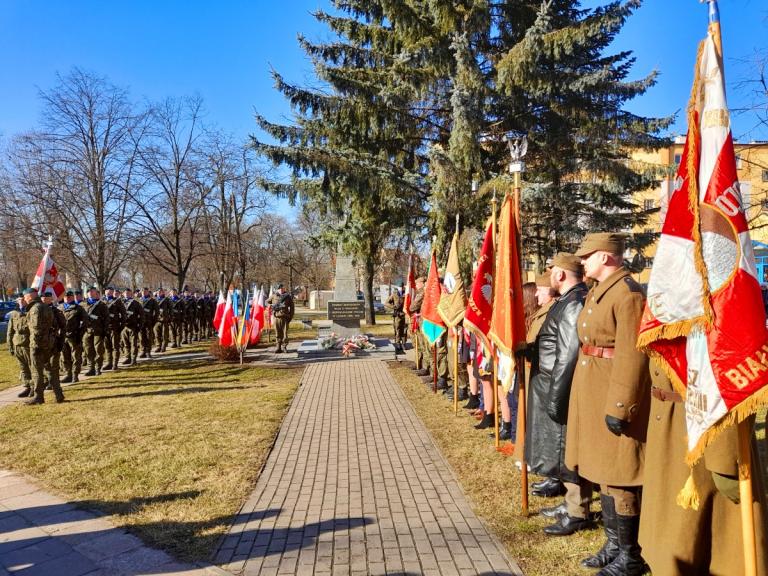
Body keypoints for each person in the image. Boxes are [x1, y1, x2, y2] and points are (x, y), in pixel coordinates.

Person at [566, 232, 651, 575]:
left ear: (606, 257)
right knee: (602, 471)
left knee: (619, 474)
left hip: (612, 391)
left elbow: (633, 355)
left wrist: (621, 404)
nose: (582, 261)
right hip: (593, 387)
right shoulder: (600, 293)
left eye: (587, 255)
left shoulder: (627, 294)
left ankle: (630, 555)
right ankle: (614, 545)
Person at [638, 365, 768, 575]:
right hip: (671, 427)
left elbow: (728, 371)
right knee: (673, 545)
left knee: (709, 548)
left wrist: (725, 459)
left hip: (704, 432)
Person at [528, 254, 592, 536]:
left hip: (559, 384)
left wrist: (556, 395)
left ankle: (578, 510)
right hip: (551, 382)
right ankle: (570, 504)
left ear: (561, 274)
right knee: (560, 449)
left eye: (552, 270)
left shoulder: (573, 303)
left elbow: (567, 355)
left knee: (567, 448)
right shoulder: (567, 300)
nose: (549, 274)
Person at [23, 288, 60, 405]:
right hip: (48, 343)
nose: (24, 299)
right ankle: (59, 394)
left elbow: (36, 329)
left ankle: (38, 397)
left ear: (29, 296)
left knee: (36, 371)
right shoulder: (46, 307)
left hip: (38, 344)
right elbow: (54, 325)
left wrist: (35, 345)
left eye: (25, 297)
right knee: (49, 369)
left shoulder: (35, 308)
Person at [60, 290, 89, 383]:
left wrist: (80, 334)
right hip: (63, 336)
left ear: (72, 297)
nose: (67, 298)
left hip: (74, 336)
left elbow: (85, 322)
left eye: (69, 297)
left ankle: (75, 375)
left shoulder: (78, 308)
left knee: (76, 356)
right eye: (65, 297)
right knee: (64, 356)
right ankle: (68, 374)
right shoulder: (59, 308)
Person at [8, 296, 32, 398]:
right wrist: (10, 346)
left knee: (32, 367)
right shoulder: (14, 314)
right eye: (19, 300)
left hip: (28, 344)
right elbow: (10, 331)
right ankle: (27, 386)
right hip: (17, 344)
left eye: (22, 299)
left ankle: (35, 387)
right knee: (23, 368)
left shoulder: (30, 312)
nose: (21, 301)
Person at [82, 286, 109, 376]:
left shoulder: (101, 305)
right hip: (87, 331)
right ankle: (91, 368)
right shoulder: (83, 304)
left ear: (95, 292)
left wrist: (105, 331)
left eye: (92, 291)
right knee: (88, 350)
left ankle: (98, 368)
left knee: (98, 350)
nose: (90, 292)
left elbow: (106, 319)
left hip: (98, 331)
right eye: (88, 291)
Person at [102, 286, 126, 370]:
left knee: (115, 346)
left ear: (113, 292)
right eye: (107, 292)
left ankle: (115, 364)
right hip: (105, 328)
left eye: (111, 292)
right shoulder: (101, 301)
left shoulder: (117, 301)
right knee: (107, 346)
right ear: (105, 292)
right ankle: (109, 363)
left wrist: (121, 326)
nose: (109, 293)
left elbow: (123, 314)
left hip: (114, 327)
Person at [268, 283, 295, 353]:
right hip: (276, 318)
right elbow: (266, 302)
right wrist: (271, 306)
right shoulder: (273, 296)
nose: (281, 290)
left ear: (283, 289)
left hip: (285, 318)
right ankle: (278, 347)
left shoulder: (287, 297)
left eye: (282, 288)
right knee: (277, 333)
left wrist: (290, 317)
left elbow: (292, 307)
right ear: (277, 289)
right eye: (279, 289)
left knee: (285, 334)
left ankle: (284, 347)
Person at [120, 288, 144, 365]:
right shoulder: (120, 303)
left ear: (131, 294)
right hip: (124, 326)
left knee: (133, 343)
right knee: (125, 343)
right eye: (125, 293)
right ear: (123, 294)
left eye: (128, 293)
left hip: (133, 326)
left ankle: (134, 359)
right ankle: (128, 357)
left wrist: (140, 325)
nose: (127, 294)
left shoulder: (135, 303)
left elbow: (142, 315)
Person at [408, 276, 426, 373]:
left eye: (418, 283)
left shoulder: (422, 292)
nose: (416, 285)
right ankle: (421, 365)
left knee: (423, 345)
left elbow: (412, 307)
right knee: (420, 344)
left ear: (423, 283)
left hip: (423, 321)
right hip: (420, 321)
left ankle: (425, 367)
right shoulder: (419, 292)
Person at [387, 285, 407, 354]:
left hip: (405, 314)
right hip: (398, 315)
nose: (402, 288)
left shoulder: (406, 294)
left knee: (405, 330)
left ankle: (404, 343)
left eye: (402, 287)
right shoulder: (394, 295)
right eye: (400, 287)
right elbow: (386, 303)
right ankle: (398, 343)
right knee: (397, 329)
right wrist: (394, 307)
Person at [139, 287, 158, 358]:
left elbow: (156, 312)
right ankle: (143, 351)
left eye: (145, 291)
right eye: (143, 291)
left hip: (149, 321)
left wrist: (154, 321)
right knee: (141, 337)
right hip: (140, 322)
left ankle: (148, 351)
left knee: (148, 336)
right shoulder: (138, 300)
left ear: (148, 292)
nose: (144, 292)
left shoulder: (152, 300)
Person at [154, 288, 172, 352]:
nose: (159, 293)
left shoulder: (167, 300)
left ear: (163, 292)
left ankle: (163, 346)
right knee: (157, 334)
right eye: (158, 292)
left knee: (164, 334)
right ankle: (158, 346)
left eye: (161, 292)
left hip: (165, 319)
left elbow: (171, 309)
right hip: (156, 320)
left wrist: (170, 318)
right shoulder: (154, 300)